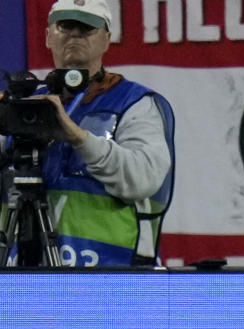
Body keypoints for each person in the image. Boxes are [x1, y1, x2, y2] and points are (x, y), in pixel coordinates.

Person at [1, 0, 175, 267]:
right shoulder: (24, 107)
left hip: (110, 277)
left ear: (106, 39)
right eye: (66, 26)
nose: (75, 35)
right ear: (48, 36)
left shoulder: (133, 103)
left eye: (87, 28)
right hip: (25, 281)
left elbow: (144, 179)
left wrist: (78, 138)